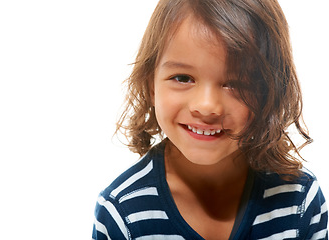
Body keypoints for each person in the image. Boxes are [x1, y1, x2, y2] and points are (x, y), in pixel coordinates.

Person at [92, 0, 328, 239]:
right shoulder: (123, 212)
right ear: (150, 84)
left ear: (270, 93)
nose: (207, 107)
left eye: (235, 84)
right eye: (183, 78)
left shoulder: (300, 200)